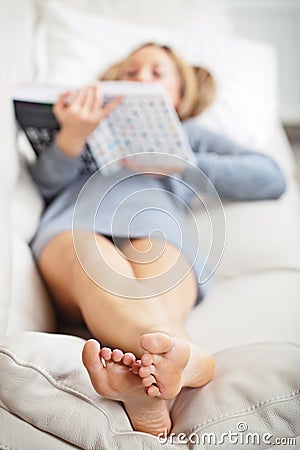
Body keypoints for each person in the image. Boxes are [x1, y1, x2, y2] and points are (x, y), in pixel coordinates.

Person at [28, 43, 286, 436]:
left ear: (180, 97)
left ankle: (146, 389)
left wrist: (180, 162)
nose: (140, 79)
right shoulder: (84, 127)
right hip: (76, 230)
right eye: (130, 73)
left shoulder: (188, 135)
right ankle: (192, 360)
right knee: (93, 261)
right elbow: (46, 181)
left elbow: (271, 177)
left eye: (155, 73)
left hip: (159, 234)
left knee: (158, 265)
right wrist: (73, 138)